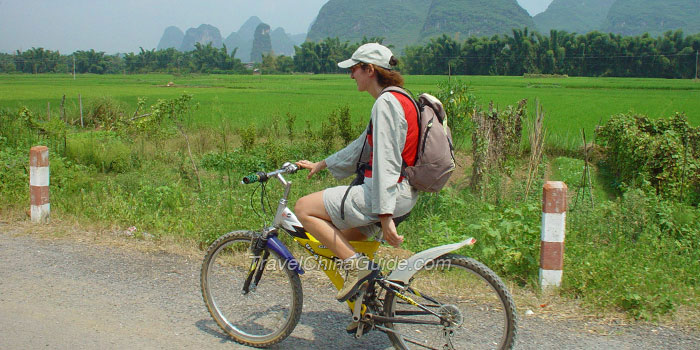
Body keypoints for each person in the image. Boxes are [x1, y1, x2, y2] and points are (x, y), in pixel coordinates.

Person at [295, 43, 419, 303]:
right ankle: (365, 309)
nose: (351, 75)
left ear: (369, 70)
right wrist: (323, 164)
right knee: (342, 244)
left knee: (304, 207)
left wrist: (384, 215)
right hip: (401, 194)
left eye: (354, 69)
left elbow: (386, 161)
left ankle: (359, 268)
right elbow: (363, 145)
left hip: (384, 194)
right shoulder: (401, 97)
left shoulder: (385, 103)